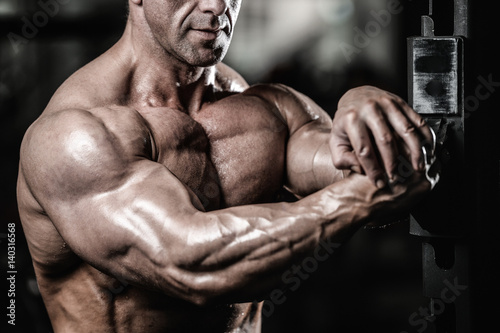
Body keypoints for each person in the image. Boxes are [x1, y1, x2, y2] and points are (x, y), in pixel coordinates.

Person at [17, 0, 435, 332]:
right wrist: (357, 201)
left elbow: (375, 173)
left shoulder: (270, 109)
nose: (217, 6)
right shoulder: (75, 136)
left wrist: (362, 108)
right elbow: (192, 263)